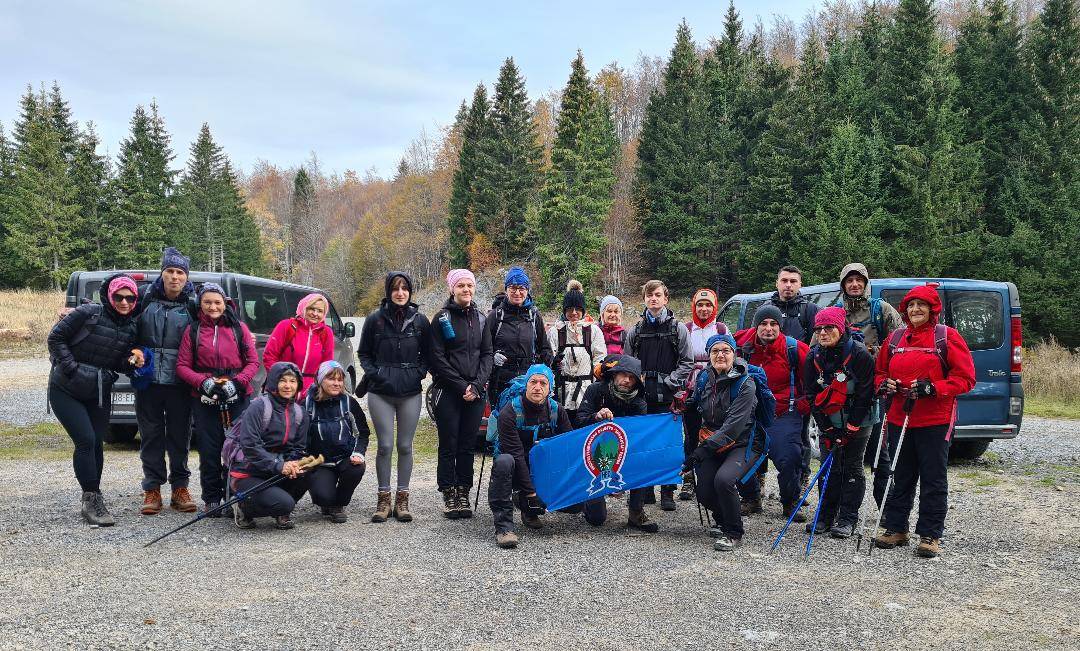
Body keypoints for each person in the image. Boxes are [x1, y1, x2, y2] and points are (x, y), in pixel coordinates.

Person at [874, 285, 975, 558]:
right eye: (911, 305)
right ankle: (897, 528)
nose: (915, 309)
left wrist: (933, 388)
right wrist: (884, 384)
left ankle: (930, 534)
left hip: (935, 419)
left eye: (921, 305)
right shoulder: (895, 338)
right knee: (900, 475)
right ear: (904, 309)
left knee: (933, 478)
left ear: (932, 309)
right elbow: (879, 372)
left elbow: (966, 379)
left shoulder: (946, 337)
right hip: (900, 417)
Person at [47, 274, 144, 526]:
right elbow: (55, 338)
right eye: (119, 297)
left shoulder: (131, 327)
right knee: (86, 441)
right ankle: (91, 499)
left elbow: (119, 362)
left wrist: (131, 362)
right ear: (109, 296)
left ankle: (93, 496)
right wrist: (71, 368)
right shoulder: (89, 312)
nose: (124, 302)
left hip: (98, 393)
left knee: (96, 444)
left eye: (130, 298)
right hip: (65, 389)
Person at [175, 282, 259, 516]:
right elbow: (182, 366)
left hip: (238, 394)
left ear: (225, 303)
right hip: (205, 396)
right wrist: (203, 382)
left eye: (217, 302)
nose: (213, 307)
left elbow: (253, 361)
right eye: (207, 302)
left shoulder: (239, 328)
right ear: (200, 304)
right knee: (209, 448)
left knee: (239, 447)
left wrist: (237, 383)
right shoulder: (193, 330)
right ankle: (212, 498)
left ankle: (235, 495)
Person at [358, 271, 429, 523]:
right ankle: (383, 499)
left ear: (410, 291)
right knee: (385, 445)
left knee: (405, 446)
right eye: (395, 288)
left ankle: (402, 500)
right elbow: (364, 354)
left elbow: (428, 355)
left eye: (404, 288)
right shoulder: (374, 320)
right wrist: (376, 374)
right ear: (388, 291)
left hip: (410, 392)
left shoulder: (420, 321)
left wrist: (418, 373)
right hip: (380, 392)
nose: (400, 293)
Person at [488, 364, 586, 548]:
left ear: (550, 388)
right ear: (526, 384)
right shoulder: (510, 412)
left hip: (542, 467)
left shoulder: (557, 411)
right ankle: (504, 527)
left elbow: (569, 449)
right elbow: (516, 455)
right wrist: (532, 493)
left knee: (577, 505)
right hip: (515, 467)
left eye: (543, 383)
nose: (537, 387)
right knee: (504, 461)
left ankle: (526, 507)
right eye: (533, 382)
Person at [803, 306, 876, 539]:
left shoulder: (860, 354)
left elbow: (866, 394)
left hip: (859, 418)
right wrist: (826, 428)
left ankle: (847, 518)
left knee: (852, 466)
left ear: (841, 328)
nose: (823, 333)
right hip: (829, 419)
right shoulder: (813, 356)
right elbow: (811, 395)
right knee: (829, 466)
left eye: (829, 328)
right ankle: (825, 515)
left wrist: (851, 428)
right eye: (818, 329)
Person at [135, 247, 198, 516]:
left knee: (179, 436)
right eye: (170, 271)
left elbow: (214, 326)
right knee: (150, 436)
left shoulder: (194, 303)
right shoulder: (144, 298)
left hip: (180, 382)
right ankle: (152, 489)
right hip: (148, 381)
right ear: (162, 274)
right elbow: (119, 319)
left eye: (180, 272)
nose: (174, 277)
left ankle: (180, 488)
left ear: (186, 277)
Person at [682, 334, 758, 552]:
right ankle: (723, 519)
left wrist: (700, 452)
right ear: (708, 355)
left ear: (734, 354)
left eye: (726, 350)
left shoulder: (745, 384)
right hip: (712, 441)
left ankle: (733, 532)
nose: (720, 355)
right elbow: (696, 404)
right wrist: (683, 406)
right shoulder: (704, 378)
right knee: (704, 491)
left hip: (742, 442)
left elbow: (733, 427)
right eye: (715, 351)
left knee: (724, 481)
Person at [733, 305, 810, 521]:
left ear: (780, 326)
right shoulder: (740, 346)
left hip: (783, 412)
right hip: (749, 413)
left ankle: (790, 501)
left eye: (774, 324)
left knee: (789, 457)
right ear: (756, 326)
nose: (769, 328)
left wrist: (804, 404)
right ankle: (751, 497)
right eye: (764, 324)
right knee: (738, 455)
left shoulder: (794, 348)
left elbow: (812, 379)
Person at [427, 268, 493, 519]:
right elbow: (437, 358)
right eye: (461, 285)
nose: (466, 289)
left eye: (469, 285)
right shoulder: (441, 318)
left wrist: (475, 386)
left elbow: (487, 354)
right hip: (448, 391)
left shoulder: (481, 318)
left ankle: (463, 490)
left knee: (467, 444)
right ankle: (448, 492)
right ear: (452, 289)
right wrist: (461, 386)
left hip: (475, 392)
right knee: (449, 443)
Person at [834, 263, 905, 484]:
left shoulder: (881, 309)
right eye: (849, 281)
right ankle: (843, 500)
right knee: (841, 449)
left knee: (878, 450)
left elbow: (900, 343)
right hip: (842, 389)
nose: (854, 284)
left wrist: (872, 353)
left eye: (859, 280)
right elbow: (819, 346)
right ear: (843, 285)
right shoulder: (835, 312)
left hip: (875, 388)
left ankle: (885, 502)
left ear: (866, 283)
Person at [625, 280, 693, 511]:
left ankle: (667, 492)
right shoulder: (635, 331)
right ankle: (645, 491)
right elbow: (627, 363)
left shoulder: (678, 329)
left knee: (667, 445)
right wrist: (637, 382)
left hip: (668, 397)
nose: (653, 299)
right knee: (642, 443)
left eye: (657, 295)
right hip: (641, 397)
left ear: (665, 298)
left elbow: (687, 362)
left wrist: (669, 381)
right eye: (649, 295)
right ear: (644, 299)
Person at [575, 354, 659, 534]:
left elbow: (638, 438)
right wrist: (596, 416)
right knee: (596, 519)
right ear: (614, 374)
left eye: (632, 378)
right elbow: (579, 421)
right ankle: (583, 500)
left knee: (645, 458)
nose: (627, 380)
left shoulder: (639, 401)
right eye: (623, 375)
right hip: (593, 454)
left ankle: (636, 512)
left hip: (623, 452)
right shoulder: (595, 390)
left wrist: (620, 473)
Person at [229, 362, 311, 530]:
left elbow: (298, 448)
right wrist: (278, 465)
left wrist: (294, 463)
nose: (288, 386)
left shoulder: (300, 412)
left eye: (293, 381)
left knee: (308, 470)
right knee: (285, 504)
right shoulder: (258, 406)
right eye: (283, 380)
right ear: (273, 382)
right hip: (249, 472)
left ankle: (280, 511)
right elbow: (250, 445)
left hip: (276, 469)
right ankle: (243, 507)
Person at [305, 361, 371, 523]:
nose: (336, 383)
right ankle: (325, 498)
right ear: (320, 380)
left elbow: (362, 432)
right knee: (323, 498)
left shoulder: (348, 402)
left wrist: (358, 453)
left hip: (344, 458)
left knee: (357, 469)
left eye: (340, 380)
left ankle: (339, 504)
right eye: (331, 379)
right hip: (320, 462)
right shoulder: (307, 404)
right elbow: (299, 437)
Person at [680, 288, 729, 501]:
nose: (704, 309)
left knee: (713, 431)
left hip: (714, 389)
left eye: (708, 305)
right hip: (690, 389)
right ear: (694, 307)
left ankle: (714, 476)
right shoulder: (685, 329)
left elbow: (728, 355)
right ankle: (689, 478)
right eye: (700, 305)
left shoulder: (721, 328)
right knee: (690, 435)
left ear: (714, 307)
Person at [486, 267, 554, 404]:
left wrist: (548, 370)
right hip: (500, 381)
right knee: (503, 416)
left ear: (527, 290)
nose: (517, 293)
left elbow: (545, 349)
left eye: (521, 288)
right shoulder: (496, 316)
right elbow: (483, 349)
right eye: (512, 288)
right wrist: (493, 356)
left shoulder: (534, 316)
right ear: (506, 290)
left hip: (529, 381)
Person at [549, 280, 606, 425]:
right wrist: (553, 364)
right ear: (564, 311)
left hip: (586, 391)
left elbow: (599, 360)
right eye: (569, 309)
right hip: (562, 391)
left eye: (578, 309)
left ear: (583, 310)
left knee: (585, 427)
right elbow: (549, 360)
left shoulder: (593, 331)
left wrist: (596, 389)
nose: (574, 313)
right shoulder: (556, 331)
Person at [262, 292, 335, 398]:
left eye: (320, 311)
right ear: (304, 308)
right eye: (311, 309)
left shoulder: (326, 332)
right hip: (283, 389)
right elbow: (269, 356)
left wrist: (321, 388)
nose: (315, 313)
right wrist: (281, 380)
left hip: (310, 392)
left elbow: (327, 365)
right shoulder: (286, 326)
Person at [769, 266, 820, 345]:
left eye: (793, 281)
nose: (788, 285)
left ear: (800, 285)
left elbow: (818, 343)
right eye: (784, 280)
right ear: (777, 283)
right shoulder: (765, 310)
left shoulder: (811, 309)